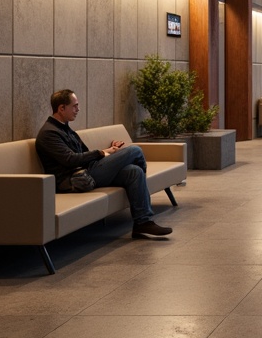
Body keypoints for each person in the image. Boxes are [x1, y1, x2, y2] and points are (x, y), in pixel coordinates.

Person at [36, 89, 172, 238]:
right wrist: (101, 153)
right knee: (134, 151)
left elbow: (83, 153)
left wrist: (109, 150)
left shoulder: (65, 129)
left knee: (134, 171)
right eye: (74, 106)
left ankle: (142, 223)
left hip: (87, 171)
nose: (78, 109)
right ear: (61, 108)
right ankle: (144, 188)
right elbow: (71, 160)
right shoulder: (49, 133)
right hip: (76, 179)